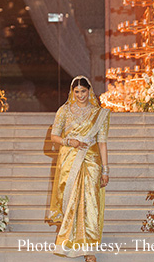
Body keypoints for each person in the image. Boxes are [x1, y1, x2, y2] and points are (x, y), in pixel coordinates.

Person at [47, 76, 111, 261]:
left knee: (90, 202)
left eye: (83, 91)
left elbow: (103, 143)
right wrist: (70, 141)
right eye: (77, 92)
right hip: (70, 161)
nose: (81, 95)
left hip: (91, 162)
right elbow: (54, 136)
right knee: (71, 201)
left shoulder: (100, 114)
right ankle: (69, 240)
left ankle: (88, 248)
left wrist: (105, 169)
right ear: (71, 92)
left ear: (89, 90)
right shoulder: (64, 111)